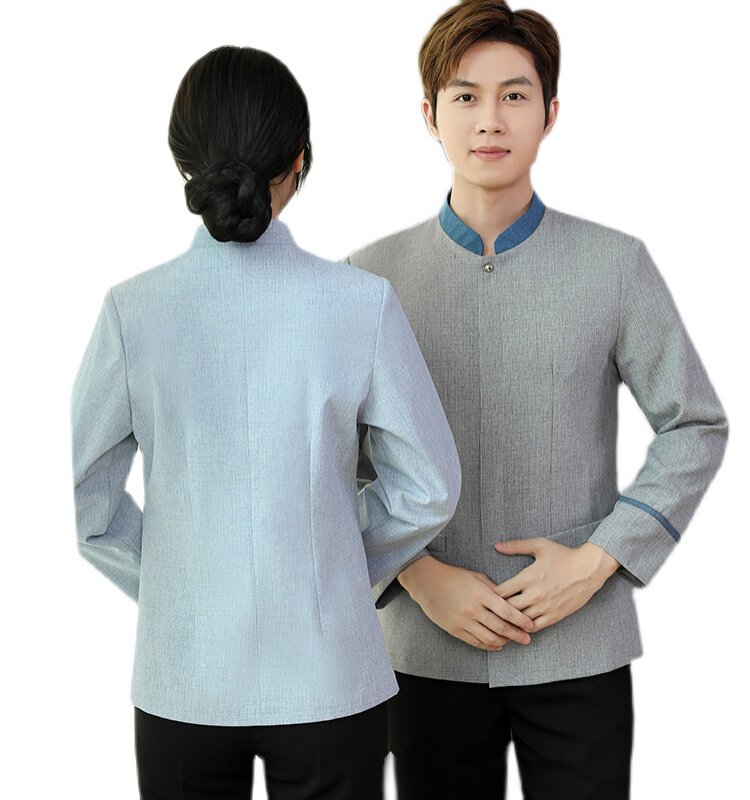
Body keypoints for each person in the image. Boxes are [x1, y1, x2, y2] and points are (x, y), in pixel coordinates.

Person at [346, 2, 728, 798]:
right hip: (426, 648)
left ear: (550, 113)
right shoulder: (367, 279)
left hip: (580, 643)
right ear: (430, 114)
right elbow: (330, 457)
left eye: (514, 95)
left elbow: (694, 424)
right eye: (466, 95)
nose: (490, 119)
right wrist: (417, 573)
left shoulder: (616, 265)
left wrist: (599, 559)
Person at [70, 45, 461, 800]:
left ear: (184, 163)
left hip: (184, 679)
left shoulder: (131, 312)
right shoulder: (361, 303)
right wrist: (333, 567)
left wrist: (185, 586)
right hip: (331, 676)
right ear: (300, 160)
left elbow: (90, 508)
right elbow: (429, 488)